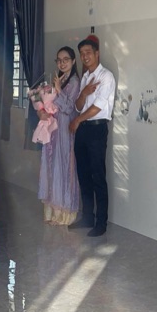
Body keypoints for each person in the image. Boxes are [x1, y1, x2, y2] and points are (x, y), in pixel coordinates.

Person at [68, 36, 116, 237]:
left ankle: (101, 222)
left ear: (97, 53)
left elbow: (98, 107)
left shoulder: (106, 76)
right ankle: (87, 217)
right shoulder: (86, 77)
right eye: (82, 54)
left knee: (97, 176)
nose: (85, 56)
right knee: (83, 174)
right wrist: (84, 93)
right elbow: (78, 106)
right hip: (83, 130)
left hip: (96, 129)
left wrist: (77, 120)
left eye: (88, 52)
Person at [36, 47, 80, 225]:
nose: (62, 63)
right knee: (52, 167)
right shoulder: (59, 79)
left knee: (64, 167)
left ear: (73, 61)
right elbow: (46, 102)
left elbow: (69, 108)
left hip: (65, 130)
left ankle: (64, 214)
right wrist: (42, 111)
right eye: (59, 60)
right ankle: (53, 212)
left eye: (65, 60)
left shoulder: (75, 82)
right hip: (53, 129)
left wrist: (58, 89)